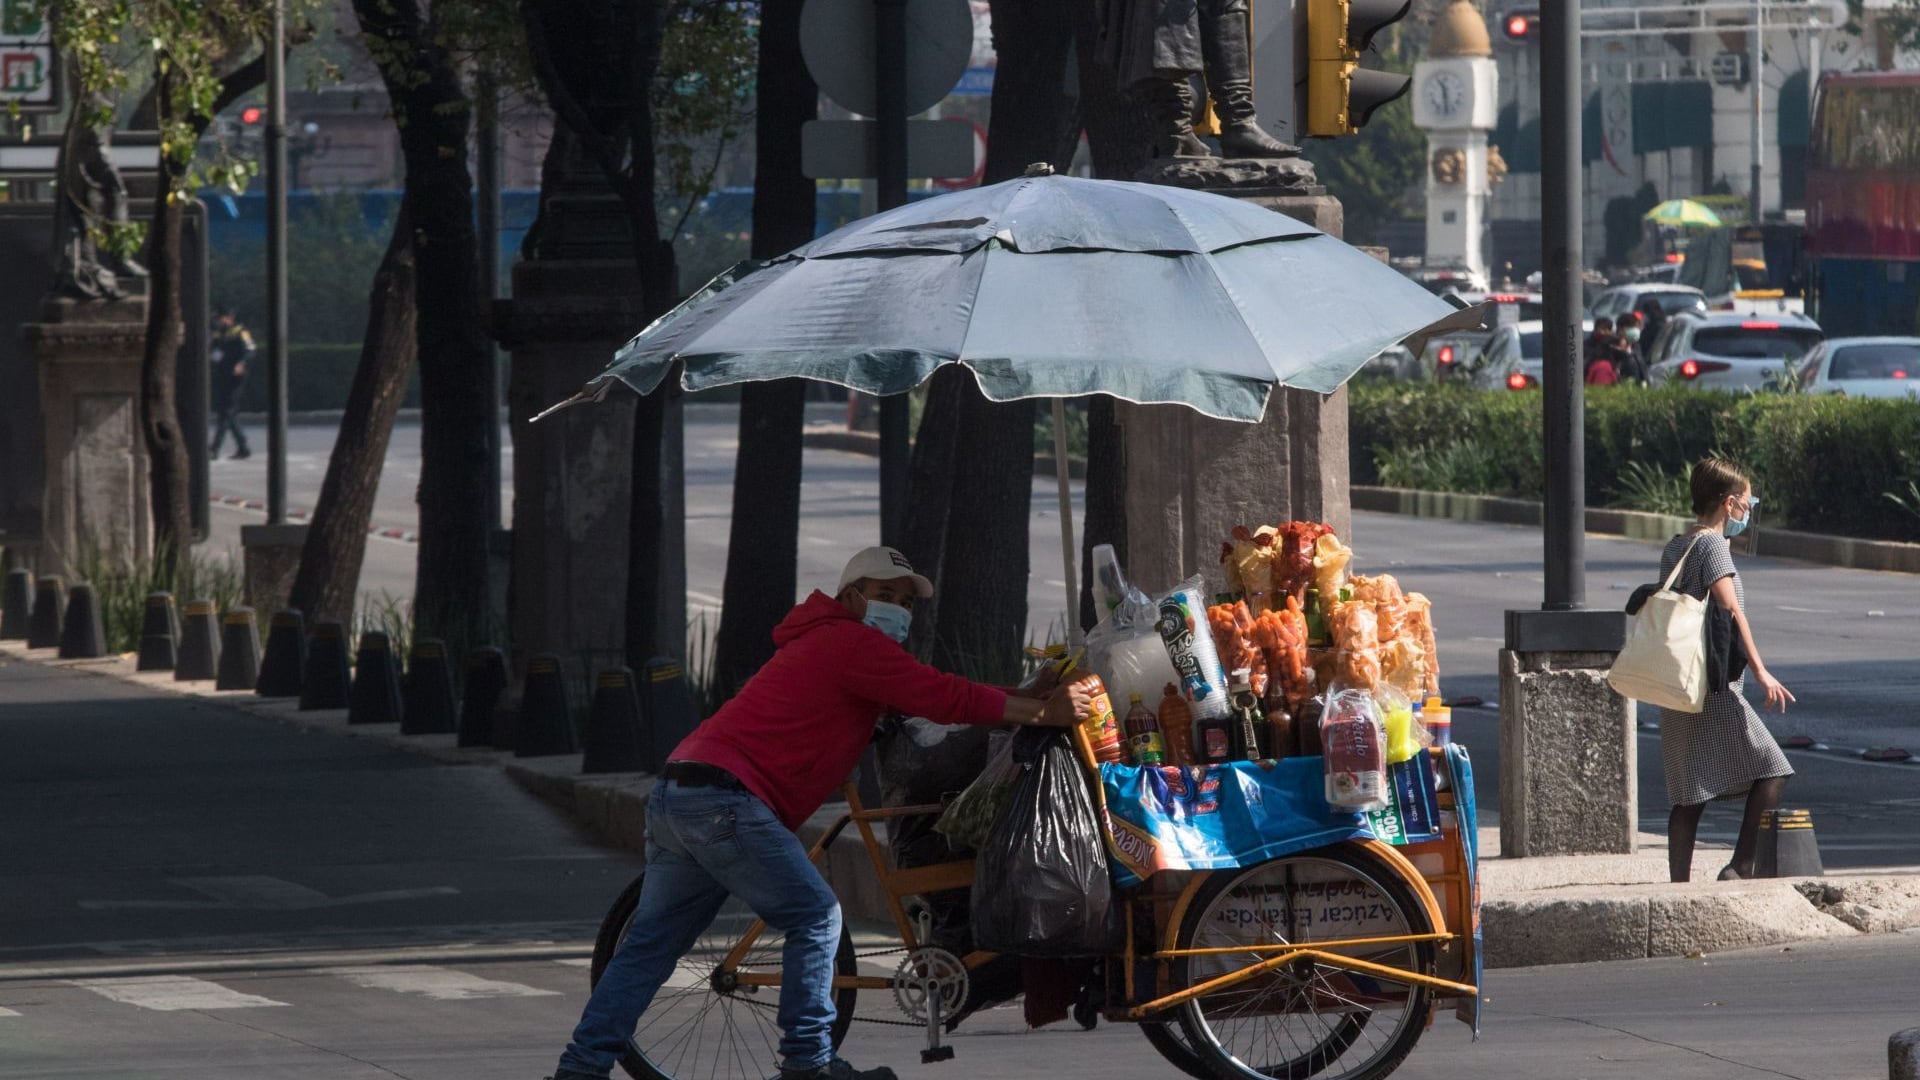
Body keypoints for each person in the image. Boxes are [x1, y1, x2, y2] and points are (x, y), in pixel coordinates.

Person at [548, 547, 1096, 1080]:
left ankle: (580, 1067)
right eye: (885, 595)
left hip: (681, 791)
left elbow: (930, 694)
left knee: (649, 946)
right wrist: (1044, 712)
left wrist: (1029, 692)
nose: (899, 610)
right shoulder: (849, 641)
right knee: (815, 916)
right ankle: (807, 1062)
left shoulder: (828, 642)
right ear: (852, 598)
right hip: (725, 800)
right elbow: (939, 695)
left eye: (907, 601)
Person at [1659, 459, 1796, 883]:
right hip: (1714, 686)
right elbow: (1731, 611)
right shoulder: (1713, 547)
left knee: (1691, 792)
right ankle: (1740, 866)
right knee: (1772, 769)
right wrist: (1761, 670)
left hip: (1678, 683)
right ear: (1729, 502)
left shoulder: (1676, 546)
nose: (1748, 511)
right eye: (1748, 502)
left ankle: (1678, 884)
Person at [209, 312, 254, 460]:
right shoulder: (217, 334)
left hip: (236, 377)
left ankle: (214, 448)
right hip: (222, 376)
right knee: (229, 413)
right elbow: (214, 352)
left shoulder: (241, 332)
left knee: (225, 412)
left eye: (221, 318)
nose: (219, 321)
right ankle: (243, 447)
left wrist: (242, 364)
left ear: (230, 318)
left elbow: (250, 350)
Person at [1583, 317, 1622, 385]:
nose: (1605, 332)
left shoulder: (1611, 345)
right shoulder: (1587, 346)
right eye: (1603, 328)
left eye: (1608, 329)